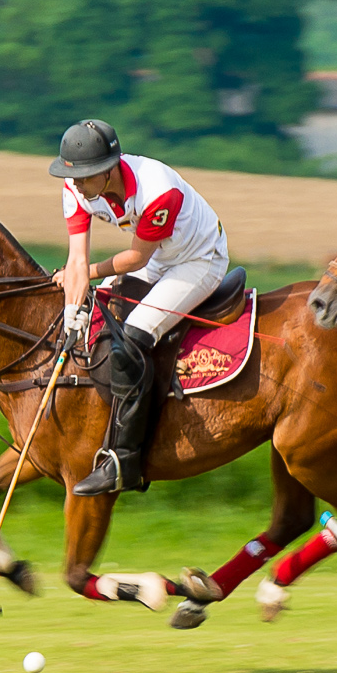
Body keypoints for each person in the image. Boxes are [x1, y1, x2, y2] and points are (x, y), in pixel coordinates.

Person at [50, 118, 229, 496]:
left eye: (85, 176)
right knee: (97, 322)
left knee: (132, 338)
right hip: (156, 256)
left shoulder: (158, 190)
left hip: (196, 259)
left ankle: (124, 461)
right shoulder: (75, 188)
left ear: (108, 169)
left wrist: (89, 274)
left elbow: (132, 259)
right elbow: (76, 259)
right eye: (73, 177)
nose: (77, 185)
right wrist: (72, 314)